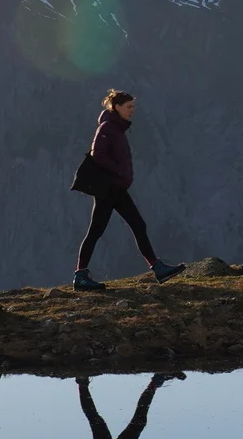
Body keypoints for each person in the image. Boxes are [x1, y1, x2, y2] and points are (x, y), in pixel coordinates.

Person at [71, 90, 185, 291]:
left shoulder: (116, 128)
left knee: (135, 225)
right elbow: (98, 155)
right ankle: (80, 276)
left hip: (116, 188)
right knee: (98, 230)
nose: (132, 110)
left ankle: (157, 267)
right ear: (117, 107)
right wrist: (119, 171)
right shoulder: (108, 127)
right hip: (109, 189)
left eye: (133, 106)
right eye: (129, 107)